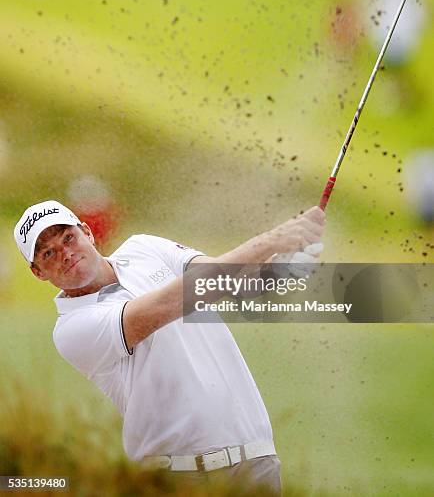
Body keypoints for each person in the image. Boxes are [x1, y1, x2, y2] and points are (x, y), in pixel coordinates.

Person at [13, 200, 325, 494]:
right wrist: (273, 240)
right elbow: (177, 299)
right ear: (38, 273)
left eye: (68, 238)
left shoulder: (144, 247)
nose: (65, 253)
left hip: (255, 465)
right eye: (48, 254)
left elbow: (230, 280)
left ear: (87, 232)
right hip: (177, 479)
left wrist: (279, 268)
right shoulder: (72, 329)